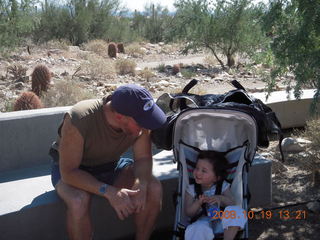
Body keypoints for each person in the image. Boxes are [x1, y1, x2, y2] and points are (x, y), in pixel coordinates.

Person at [49, 84, 167, 240]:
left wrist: (142, 182)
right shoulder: (80, 118)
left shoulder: (138, 118)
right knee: (78, 201)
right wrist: (110, 192)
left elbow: (143, 159)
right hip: (73, 171)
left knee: (152, 187)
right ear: (119, 116)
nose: (144, 127)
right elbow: (69, 173)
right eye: (140, 123)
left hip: (110, 166)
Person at [184, 151, 247, 240]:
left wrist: (220, 198)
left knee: (236, 211)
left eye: (204, 171)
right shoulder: (191, 189)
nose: (198, 172)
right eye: (197, 168)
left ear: (216, 177)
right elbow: (188, 212)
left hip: (223, 224)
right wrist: (198, 203)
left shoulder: (222, 186)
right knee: (197, 228)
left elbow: (232, 202)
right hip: (202, 223)